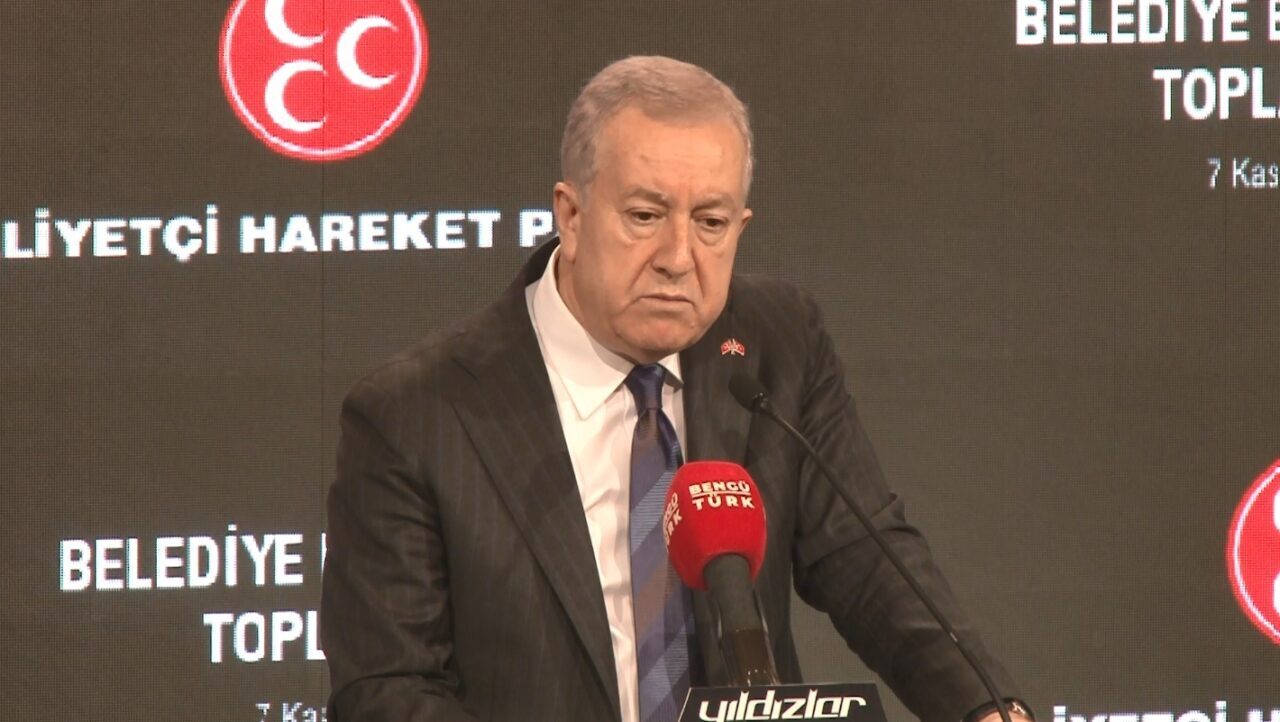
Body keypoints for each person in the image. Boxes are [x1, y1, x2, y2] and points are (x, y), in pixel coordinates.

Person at [321, 55, 1030, 722]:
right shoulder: (417, 413)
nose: (679, 258)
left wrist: (984, 708)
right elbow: (389, 689)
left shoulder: (777, 342)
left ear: (740, 227)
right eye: (645, 216)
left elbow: (865, 559)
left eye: (711, 223)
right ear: (571, 215)